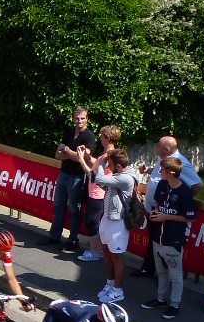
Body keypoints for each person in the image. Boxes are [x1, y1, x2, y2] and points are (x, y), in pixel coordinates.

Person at [135, 136, 204, 281]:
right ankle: (148, 269)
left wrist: (179, 201)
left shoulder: (181, 163)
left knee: (164, 245)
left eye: (158, 146)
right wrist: (149, 170)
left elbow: (198, 185)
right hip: (156, 207)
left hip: (167, 212)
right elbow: (161, 173)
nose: (156, 149)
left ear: (166, 149)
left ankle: (162, 278)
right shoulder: (163, 158)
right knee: (154, 241)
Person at [138, 156, 197, 319]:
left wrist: (165, 216)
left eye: (162, 170)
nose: (159, 171)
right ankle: (161, 298)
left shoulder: (184, 191)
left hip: (173, 239)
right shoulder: (163, 184)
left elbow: (190, 217)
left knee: (175, 275)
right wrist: (157, 212)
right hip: (158, 236)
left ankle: (174, 304)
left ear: (171, 173)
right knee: (161, 271)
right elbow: (157, 202)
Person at [85, 147, 141, 304]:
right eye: (106, 163)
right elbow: (100, 182)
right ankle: (109, 284)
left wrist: (101, 160)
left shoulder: (126, 178)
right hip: (107, 218)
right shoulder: (118, 175)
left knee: (117, 256)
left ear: (117, 165)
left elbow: (100, 179)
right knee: (106, 251)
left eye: (109, 163)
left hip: (118, 223)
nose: (107, 166)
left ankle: (118, 290)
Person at [45, 107, 95, 252]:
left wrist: (66, 150)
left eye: (82, 118)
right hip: (63, 174)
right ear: (73, 118)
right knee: (58, 205)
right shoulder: (68, 132)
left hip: (77, 177)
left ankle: (73, 239)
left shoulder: (88, 137)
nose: (79, 121)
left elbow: (82, 158)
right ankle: (54, 236)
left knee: (74, 209)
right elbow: (57, 155)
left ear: (87, 119)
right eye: (77, 118)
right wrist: (72, 154)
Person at [77, 124, 121, 263]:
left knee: (92, 222)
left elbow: (93, 175)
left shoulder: (108, 155)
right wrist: (88, 157)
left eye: (102, 137)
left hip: (99, 194)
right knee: (93, 221)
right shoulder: (106, 154)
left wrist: (81, 160)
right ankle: (97, 250)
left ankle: (95, 251)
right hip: (96, 193)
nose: (100, 139)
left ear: (107, 138)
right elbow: (97, 165)